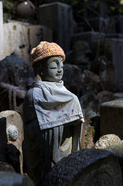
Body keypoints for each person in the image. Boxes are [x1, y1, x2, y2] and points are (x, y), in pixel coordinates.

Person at [22, 41, 84, 184]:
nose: (59, 70)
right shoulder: (34, 94)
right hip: (43, 150)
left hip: (63, 146)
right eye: (54, 66)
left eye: (61, 66)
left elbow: (76, 127)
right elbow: (31, 129)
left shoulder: (67, 94)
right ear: (40, 69)